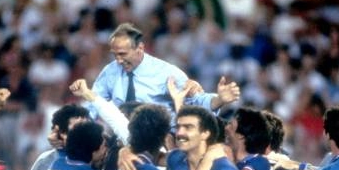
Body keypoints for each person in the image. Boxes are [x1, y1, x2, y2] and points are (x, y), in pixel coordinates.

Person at [86, 22, 240, 121]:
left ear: (140, 48)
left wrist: (219, 100)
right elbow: (93, 103)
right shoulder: (110, 71)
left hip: (161, 142)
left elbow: (196, 101)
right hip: (123, 140)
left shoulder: (166, 72)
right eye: (115, 54)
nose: (118, 60)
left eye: (123, 54)